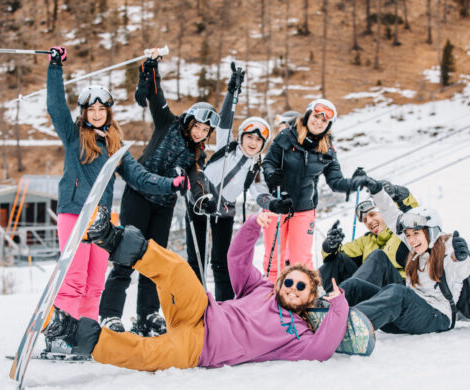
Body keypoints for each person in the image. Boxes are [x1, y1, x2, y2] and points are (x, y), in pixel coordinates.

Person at [40, 208, 353, 371]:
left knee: (146, 353)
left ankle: (69, 331)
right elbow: (236, 260)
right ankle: (111, 237)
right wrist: (252, 226)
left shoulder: (299, 335)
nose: (293, 288)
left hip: (200, 347)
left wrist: (339, 305)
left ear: (309, 296)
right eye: (289, 281)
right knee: (177, 268)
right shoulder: (261, 289)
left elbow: (321, 349)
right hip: (201, 310)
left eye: (301, 286)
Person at [44, 46, 181, 354]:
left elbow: (139, 177)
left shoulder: (114, 146)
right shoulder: (73, 137)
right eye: (91, 109)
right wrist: (55, 68)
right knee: (75, 278)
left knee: (95, 283)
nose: (96, 113)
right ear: (84, 113)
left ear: (108, 112)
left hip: (101, 221)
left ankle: (86, 336)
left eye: (101, 109)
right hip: (74, 213)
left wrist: (170, 184)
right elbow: (55, 107)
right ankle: (60, 335)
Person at [97, 52, 217, 336]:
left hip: (163, 206)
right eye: (197, 127)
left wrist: (202, 196)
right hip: (138, 196)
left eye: (205, 130)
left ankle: (147, 315)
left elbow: (197, 178)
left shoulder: (197, 154)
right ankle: (110, 314)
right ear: (189, 121)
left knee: (154, 260)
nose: (200, 133)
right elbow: (155, 94)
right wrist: (151, 67)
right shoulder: (168, 123)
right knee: (126, 255)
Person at [337, 177, 470, 334]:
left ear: (431, 231)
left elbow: (462, 270)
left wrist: (462, 257)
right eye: (408, 235)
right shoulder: (416, 247)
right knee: (355, 286)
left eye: (416, 233)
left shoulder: (448, 250)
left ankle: (349, 328)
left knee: (398, 292)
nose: (411, 240)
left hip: (437, 316)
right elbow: (392, 216)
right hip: (409, 312)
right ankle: (323, 313)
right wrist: (377, 191)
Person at [185, 64, 271, 301]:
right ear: (241, 136)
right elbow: (224, 119)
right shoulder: (227, 146)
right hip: (200, 200)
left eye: (258, 141)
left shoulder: (256, 167)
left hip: (224, 211)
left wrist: (273, 204)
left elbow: (259, 192)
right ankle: (194, 302)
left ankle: (224, 306)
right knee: (197, 257)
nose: (252, 143)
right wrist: (232, 91)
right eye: (249, 137)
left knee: (221, 261)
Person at [259, 98, 363, 282]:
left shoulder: (327, 149)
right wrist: (272, 175)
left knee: (302, 262)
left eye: (324, 120)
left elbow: (336, 181)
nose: (318, 122)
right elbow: (268, 162)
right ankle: (270, 294)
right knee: (273, 260)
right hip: (278, 205)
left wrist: (355, 183)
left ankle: (306, 296)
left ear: (329, 125)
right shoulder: (286, 136)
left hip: (304, 209)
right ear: (308, 115)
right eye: (316, 116)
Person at [319, 181, 419, 291]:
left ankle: (345, 296)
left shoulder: (401, 232)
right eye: (365, 220)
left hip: (400, 289)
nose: (369, 221)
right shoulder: (366, 241)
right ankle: (312, 290)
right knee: (338, 260)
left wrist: (398, 192)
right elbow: (340, 254)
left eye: (372, 215)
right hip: (374, 292)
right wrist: (329, 246)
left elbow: (413, 214)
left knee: (379, 256)